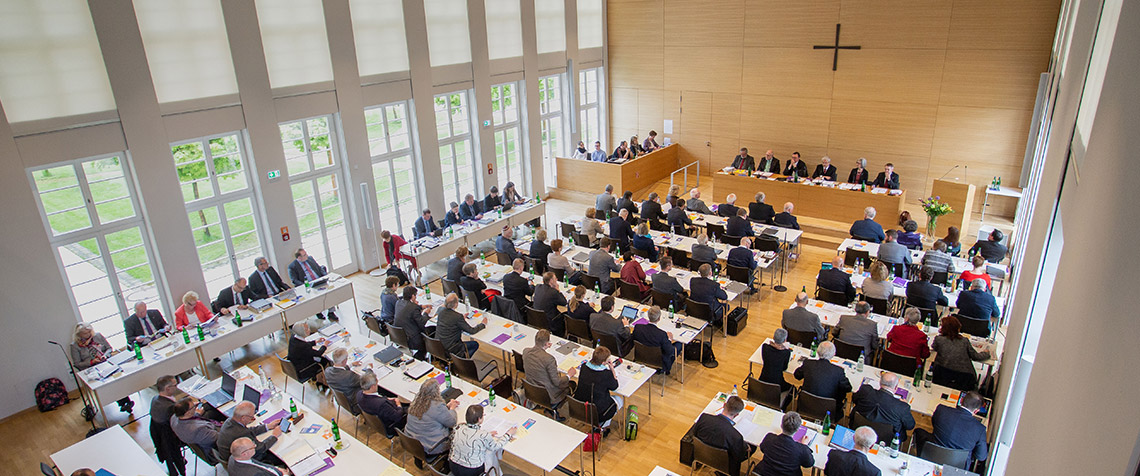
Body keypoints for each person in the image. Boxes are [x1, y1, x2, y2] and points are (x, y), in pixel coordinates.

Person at [71, 323, 133, 413]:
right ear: (79, 334)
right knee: (107, 382)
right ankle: (124, 402)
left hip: (105, 363)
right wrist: (91, 362)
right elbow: (77, 363)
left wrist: (105, 355)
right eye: (85, 333)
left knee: (115, 379)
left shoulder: (97, 336)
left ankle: (125, 402)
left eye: (89, 332)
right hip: (91, 369)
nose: (88, 335)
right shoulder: (74, 346)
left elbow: (109, 348)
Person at [690, 395, 754, 476]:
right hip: (724, 465)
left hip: (702, 455)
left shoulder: (704, 418)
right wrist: (745, 446)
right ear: (736, 415)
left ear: (724, 405)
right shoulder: (736, 436)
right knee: (752, 448)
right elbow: (738, 456)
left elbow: (694, 433)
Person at [919, 391, 989, 463]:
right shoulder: (980, 429)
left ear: (961, 400)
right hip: (957, 466)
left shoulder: (941, 410)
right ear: (976, 411)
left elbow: (934, 424)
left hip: (931, 455)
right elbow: (981, 457)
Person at [449, 405, 516, 476]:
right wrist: (508, 434)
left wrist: (487, 435)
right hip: (472, 470)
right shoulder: (483, 435)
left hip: (453, 466)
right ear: (479, 419)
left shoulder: (458, 427)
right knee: (489, 453)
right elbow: (496, 446)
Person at [794, 342, 853, 417]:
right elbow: (848, 388)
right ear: (833, 354)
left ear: (818, 352)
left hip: (806, 405)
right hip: (829, 411)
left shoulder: (808, 364)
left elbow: (797, 375)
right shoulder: (838, 371)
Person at [932, 316, 991, 390]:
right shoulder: (964, 341)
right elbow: (976, 356)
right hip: (964, 378)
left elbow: (934, 347)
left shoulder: (939, 339)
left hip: (942, 376)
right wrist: (986, 353)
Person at [852, 372, 916, 440]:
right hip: (888, 439)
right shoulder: (902, 407)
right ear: (896, 387)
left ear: (880, 382)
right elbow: (910, 426)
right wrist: (905, 404)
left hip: (859, 428)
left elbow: (854, 399)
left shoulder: (865, 391)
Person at [572, 346, 623, 432]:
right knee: (619, 400)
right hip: (598, 412)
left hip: (580, 406)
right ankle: (602, 426)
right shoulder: (605, 374)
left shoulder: (584, 367)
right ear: (603, 362)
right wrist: (612, 371)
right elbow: (614, 386)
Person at [405, 380, 460, 458]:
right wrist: (452, 408)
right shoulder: (437, 406)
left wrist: (445, 408)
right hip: (430, 446)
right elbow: (452, 422)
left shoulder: (416, 402)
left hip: (411, 441)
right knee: (458, 433)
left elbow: (430, 414)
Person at [523, 329, 576, 409]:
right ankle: (553, 410)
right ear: (547, 344)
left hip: (532, 390)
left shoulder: (526, 351)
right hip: (549, 395)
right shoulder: (549, 359)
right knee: (571, 384)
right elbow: (557, 382)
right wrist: (569, 375)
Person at [217, 401, 283, 464]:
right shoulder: (241, 433)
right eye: (251, 417)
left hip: (229, 457)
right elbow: (260, 448)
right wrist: (274, 436)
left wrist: (267, 426)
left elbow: (248, 430)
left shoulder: (230, 421)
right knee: (278, 456)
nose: (253, 418)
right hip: (245, 461)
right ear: (243, 418)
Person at [755, 411, 815, 476]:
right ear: (797, 430)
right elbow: (809, 463)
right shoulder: (801, 450)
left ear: (781, 425)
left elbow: (762, 449)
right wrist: (804, 445)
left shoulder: (770, 438)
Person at [150, 376, 185, 476]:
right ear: (167, 389)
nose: (177, 387)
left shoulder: (155, 399)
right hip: (172, 438)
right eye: (175, 385)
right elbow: (180, 422)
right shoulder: (169, 407)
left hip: (162, 438)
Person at [288, 248, 336, 320]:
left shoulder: (310, 259)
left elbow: (319, 268)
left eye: (306, 253)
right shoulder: (292, 266)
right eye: (304, 255)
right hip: (308, 285)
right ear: (299, 258)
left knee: (328, 293)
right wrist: (305, 285)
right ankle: (318, 312)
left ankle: (331, 312)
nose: (306, 256)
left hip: (319, 280)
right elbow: (294, 280)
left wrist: (325, 276)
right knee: (314, 297)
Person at [632, 306, 683, 375]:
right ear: (659, 318)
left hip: (641, 357)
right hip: (659, 361)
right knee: (679, 344)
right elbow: (670, 351)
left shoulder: (638, 327)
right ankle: (665, 369)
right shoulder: (662, 335)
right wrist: (669, 340)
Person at [437, 292, 488, 357]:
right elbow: (472, 331)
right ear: (455, 304)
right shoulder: (457, 317)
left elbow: (450, 321)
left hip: (440, 345)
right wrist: (483, 324)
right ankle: (462, 358)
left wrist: (461, 319)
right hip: (453, 347)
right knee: (475, 344)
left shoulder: (440, 310)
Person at [395, 286, 434, 360]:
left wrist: (421, 306)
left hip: (399, 336)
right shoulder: (413, 307)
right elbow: (422, 323)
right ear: (413, 296)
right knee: (432, 329)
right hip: (412, 338)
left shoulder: (398, 302)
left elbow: (409, 309)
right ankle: (421, 356)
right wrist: (425, 313)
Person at [287, 322, 330, 386]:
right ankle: (323, 381)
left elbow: (304, 344)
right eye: (307, 329)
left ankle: (319, 379)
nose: (309, 330)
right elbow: (318, 353)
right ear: (302, 332)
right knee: (325, 360)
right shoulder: (303, 346)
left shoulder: (293, 338)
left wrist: (315, 341)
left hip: (294, 366)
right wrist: (325, 345)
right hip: (303, 370)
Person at [759, 329, 794, 394]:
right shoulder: (786, 353)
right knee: (793, 389)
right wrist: (785, 348)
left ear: (773, 338)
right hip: (777, 383)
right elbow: (784, 368)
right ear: (785, 340)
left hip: (762, 380)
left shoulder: (765, 347)